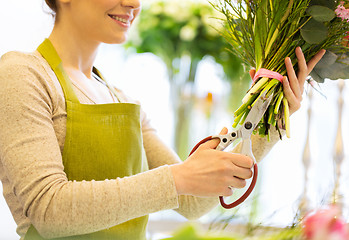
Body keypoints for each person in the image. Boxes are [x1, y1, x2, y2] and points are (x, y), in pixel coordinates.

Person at [0, 0, 325, 239]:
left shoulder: (122, 98)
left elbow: (191, 203)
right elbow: (48, 209)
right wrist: (179, 176)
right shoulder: (23, 74)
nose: (133, 4)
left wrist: (272, 120)